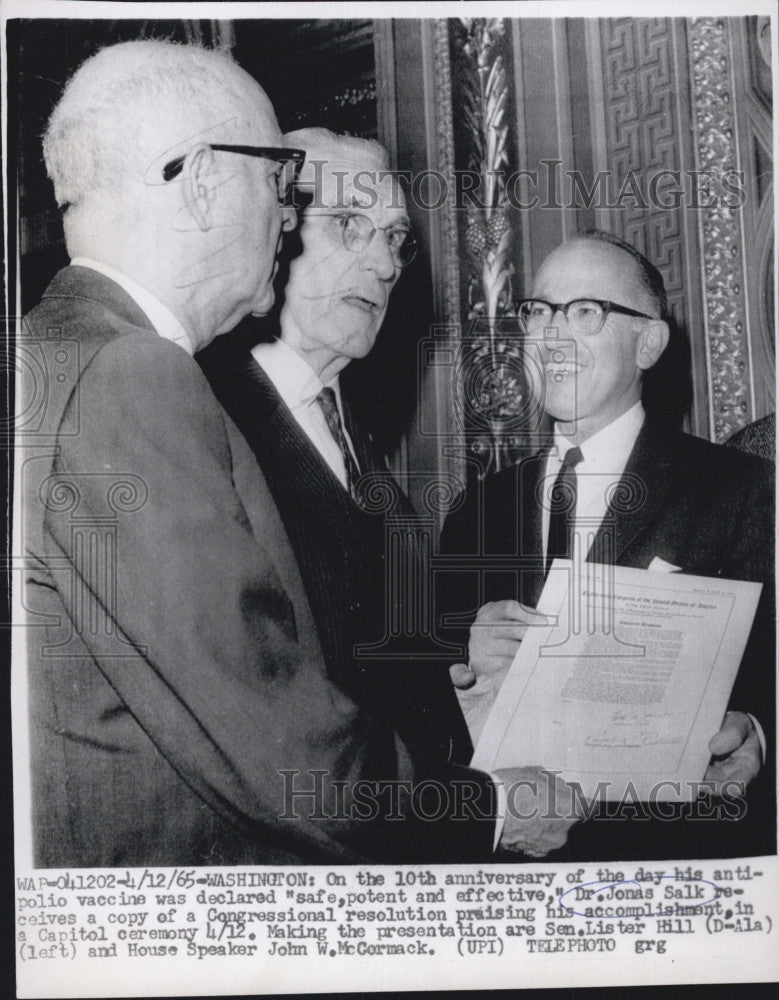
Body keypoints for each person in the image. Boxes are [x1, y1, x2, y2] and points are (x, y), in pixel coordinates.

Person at [20, 44, 571, 867]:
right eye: (277, 180)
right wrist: (488, 810)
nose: (284, 216)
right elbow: (285, 754)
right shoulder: (132, 374)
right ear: (203, 181)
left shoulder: (58, 345)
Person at [438, 230, 775, 859]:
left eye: (585, 312)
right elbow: (416, 714)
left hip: (666, 870)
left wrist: (756, 736)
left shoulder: (741, 489)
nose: (551, 337)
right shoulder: (474, 511)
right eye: (538, 312)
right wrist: (460, 667)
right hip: (502, 882)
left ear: (648, 342)